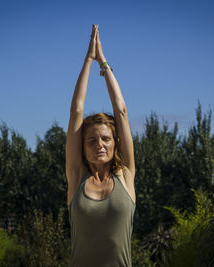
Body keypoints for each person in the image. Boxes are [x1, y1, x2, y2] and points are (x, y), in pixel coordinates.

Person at [66, 24, 136, 267]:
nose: (100, 145)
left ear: (115, 143)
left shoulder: (125, 175)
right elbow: (76, 111)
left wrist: (103, 63)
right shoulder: (76, 177)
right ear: (82, 146)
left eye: (106, 139)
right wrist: (88, 59)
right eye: (92, 140)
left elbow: (122, 111)